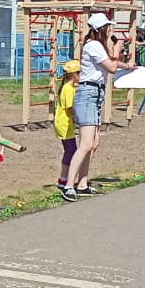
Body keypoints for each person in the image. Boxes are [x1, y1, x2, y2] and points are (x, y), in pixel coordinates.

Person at [61, 13, 138, 201]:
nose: (110, 30)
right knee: (86, 143)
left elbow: (110, 63)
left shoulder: (98, 47)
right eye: (108, 27)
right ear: (101, 29)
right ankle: (68, 185)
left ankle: (82, 183)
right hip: (88, 95)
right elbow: (111, 67)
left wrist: (123, 61)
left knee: (94, 143)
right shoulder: (93, 45)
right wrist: (120, 53)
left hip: (95, 94)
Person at [55, 59, 79, 192]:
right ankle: (64, 178)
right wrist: (77, 119)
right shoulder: (69, 89)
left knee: (69, 150)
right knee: (71, 151)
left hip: (63, 123)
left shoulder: (65, 87)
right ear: (75, 74)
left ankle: (64, 178)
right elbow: (70, 109)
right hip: (65, 124)